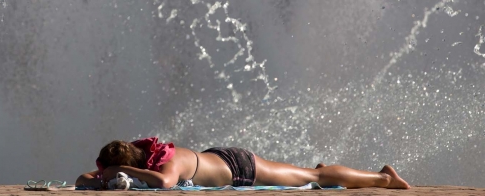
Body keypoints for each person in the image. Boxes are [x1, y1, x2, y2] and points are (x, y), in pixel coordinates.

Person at [75, 137, 410, 189]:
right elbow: (82, 179)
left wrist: (128, 173)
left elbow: (165, 184)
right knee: (312, 172)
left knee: (316, 176)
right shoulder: (140, 153)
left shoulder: (165, 165)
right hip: (221, 158)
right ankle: (327, 170)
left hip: (240, 168)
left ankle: (384, 178)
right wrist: (100, 177)